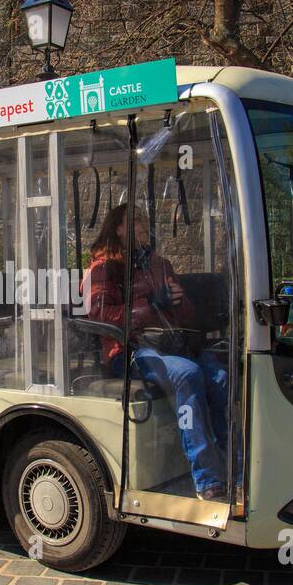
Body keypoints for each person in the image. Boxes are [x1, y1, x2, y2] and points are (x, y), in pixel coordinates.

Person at [82, 204, 229, 501]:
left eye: (145, 220)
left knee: (222, 377)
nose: (142, 226)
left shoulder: (161, 265)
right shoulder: (103, 268)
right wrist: (151, 307)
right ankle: (206, 478)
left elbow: (186, 314)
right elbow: (98, 315)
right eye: (134, 221)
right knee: (188, 374)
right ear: (118, 229)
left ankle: (230, 464)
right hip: (131, 349)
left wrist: (177, 302)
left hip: (173, 343)